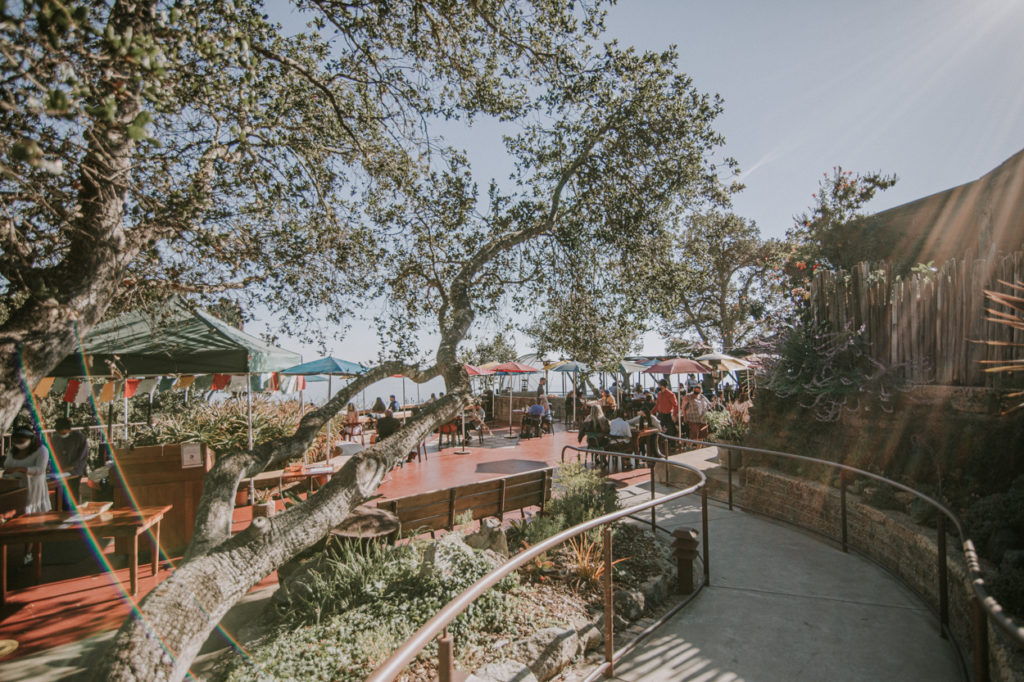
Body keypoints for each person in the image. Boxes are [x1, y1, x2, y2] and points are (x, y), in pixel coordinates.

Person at [3, 426, 52, 515]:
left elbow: (40, 469)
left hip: (33, 487)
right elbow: (7, 464)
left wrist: (20, 469)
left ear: (31, 439)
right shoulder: (13, 451)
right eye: (16, 441)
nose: (18, 444)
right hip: (15, 486)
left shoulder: (42, 451)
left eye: (21, 441)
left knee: (32, 514)